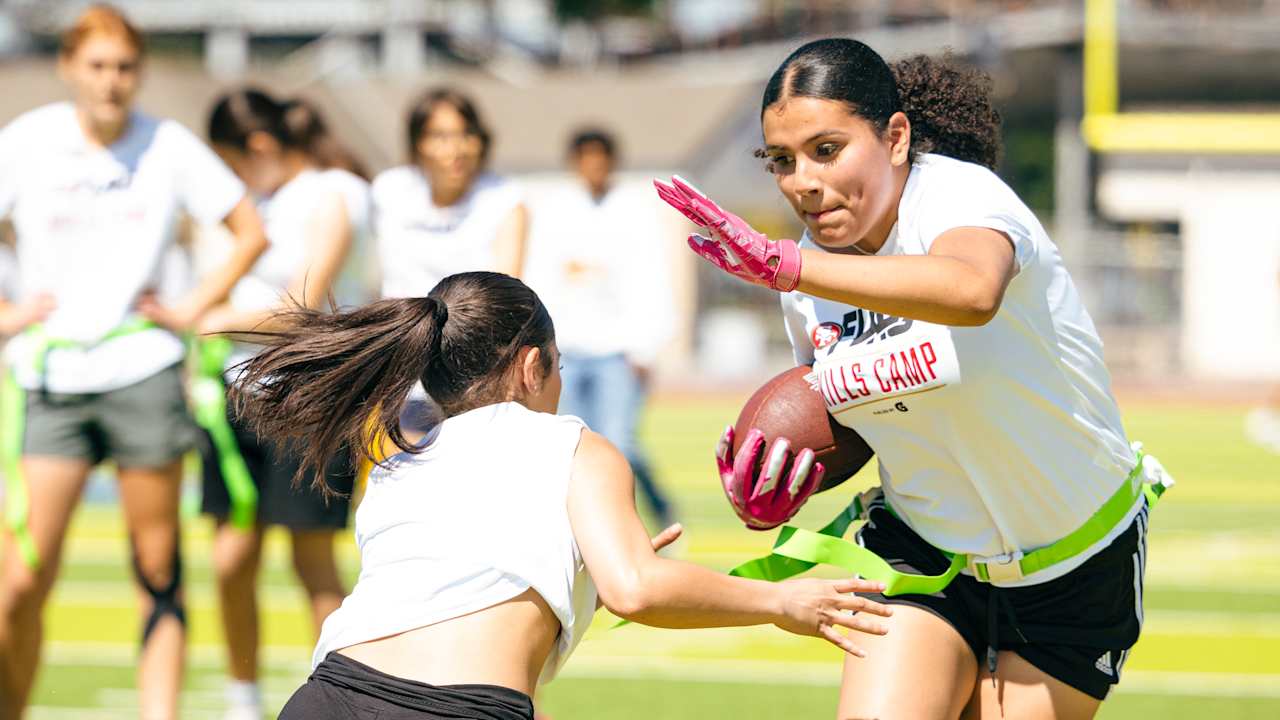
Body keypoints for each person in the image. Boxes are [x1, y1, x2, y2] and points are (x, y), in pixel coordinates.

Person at [656, 39, 1169, 720]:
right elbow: (865, 419)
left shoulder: (957, 195)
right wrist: (782, 479)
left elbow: (970, 290)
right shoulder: (806, 279)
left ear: (895, 137)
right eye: (782, 161)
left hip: (1073, 563)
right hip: (923, 552)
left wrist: (788, 266)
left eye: (826, 149)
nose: (802, 181)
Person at [223, 270, 893, 720]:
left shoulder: (402, 462)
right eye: (559, 366)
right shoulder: (572, 444)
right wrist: (780, 600)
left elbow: (459, 603)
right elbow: (638, 589)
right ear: (531, 365)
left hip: (324, 699)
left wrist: (580, 579)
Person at [0, 5, 268, 719]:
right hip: (48, 380)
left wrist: (191, 309)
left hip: (142, 373)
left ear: (139, 72)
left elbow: (249, 231)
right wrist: (10, 316)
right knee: (18, 585)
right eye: (96, 65)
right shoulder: (26, 143)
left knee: (156, 571)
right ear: (67, 68)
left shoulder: (169, 144)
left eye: (124, 67)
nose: (111, 81)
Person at [196, 88, 373, 720]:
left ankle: (337, 700)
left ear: (261, 146)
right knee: (230, 559)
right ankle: (242, 703)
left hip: (311, 398)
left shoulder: (337, 191)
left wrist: (206, 320)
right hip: (238, 394)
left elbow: (305, 306)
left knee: (312, 563)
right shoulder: (261, 201)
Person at [525, 128, 675, 527]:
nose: (593, 166)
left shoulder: (635, 210)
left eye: (600, 158)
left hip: (618, 352)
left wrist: (646, 346)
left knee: (620, 443)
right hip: (569, 352)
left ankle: (642, 516)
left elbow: (653, 280)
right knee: (569, 445)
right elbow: (540, 278)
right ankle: (583, 527)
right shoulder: (556, 211)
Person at [372, 88, 528, 435]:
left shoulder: (503, 198)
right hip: (406, 363)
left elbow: (505, 291)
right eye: (440, 136)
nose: (456, 149)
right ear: (418, 143)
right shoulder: (390, 190)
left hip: (473, 371)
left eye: (465, 135)